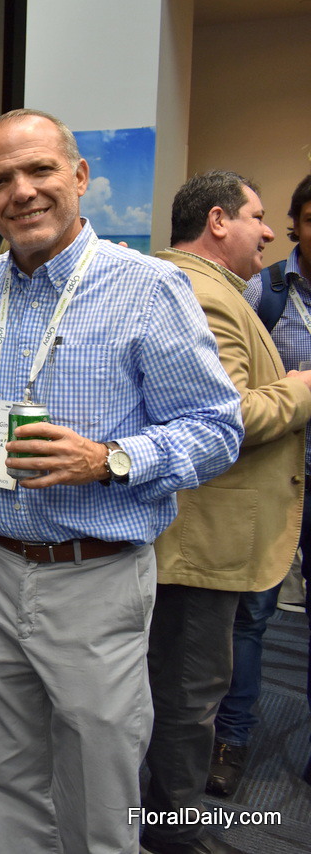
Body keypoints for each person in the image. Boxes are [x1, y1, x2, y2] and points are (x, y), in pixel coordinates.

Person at [0, 109, 243, 854]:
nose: (22, 191)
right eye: (1, 181)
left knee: (99, 781)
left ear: (79, 177)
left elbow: (217, 429)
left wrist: (109, 459)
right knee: (6, 769)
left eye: (40, 170)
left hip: (93, 572)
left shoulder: (149, 288)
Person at [144, 171, 307, 854]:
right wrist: (302, 389)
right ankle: (171, 833)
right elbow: (227, 418)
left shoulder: (200, 287)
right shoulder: (202, 295)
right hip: (199, 540)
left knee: (184, 689)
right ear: (217, 221)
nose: (270, 232)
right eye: (257, 216)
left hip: (202, 536)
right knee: (188, 697)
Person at [225, 173, 311, 794]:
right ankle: (230, 739)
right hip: (272, 475)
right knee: (251, 616)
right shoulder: (266, 290)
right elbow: (231, 387)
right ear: (296, 225)